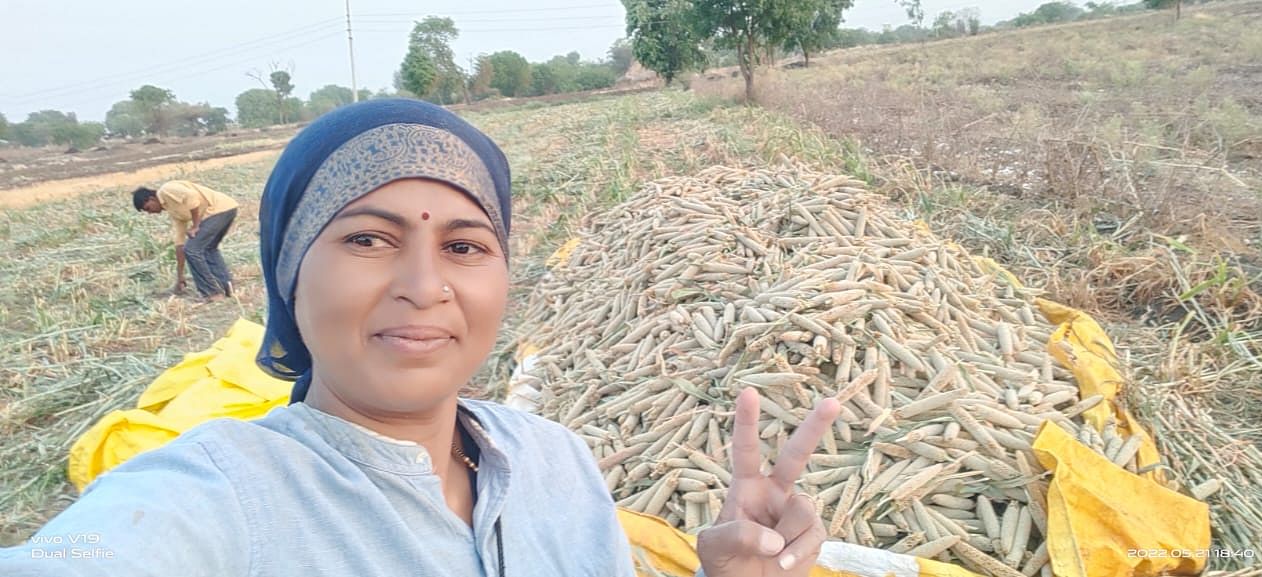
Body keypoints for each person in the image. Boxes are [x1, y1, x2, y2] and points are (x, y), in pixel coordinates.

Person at [1, 99, 839, 576]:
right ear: (291, 274)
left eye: (466, 247)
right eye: (367, 238)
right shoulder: (216, 497)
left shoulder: (557, 462)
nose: (425, 285)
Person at [133, 180, 238, 300]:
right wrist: (180, 276)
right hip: (227, 208)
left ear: (151, 198)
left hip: (218, 210)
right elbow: (180, 244)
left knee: (192, 249)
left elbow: (192, 197)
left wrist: (196, 225)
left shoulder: (166, 190)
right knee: (208, 248)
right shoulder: (173, 210)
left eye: (148, 208)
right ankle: (228, 287)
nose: (150, 213)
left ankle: (212, 293)